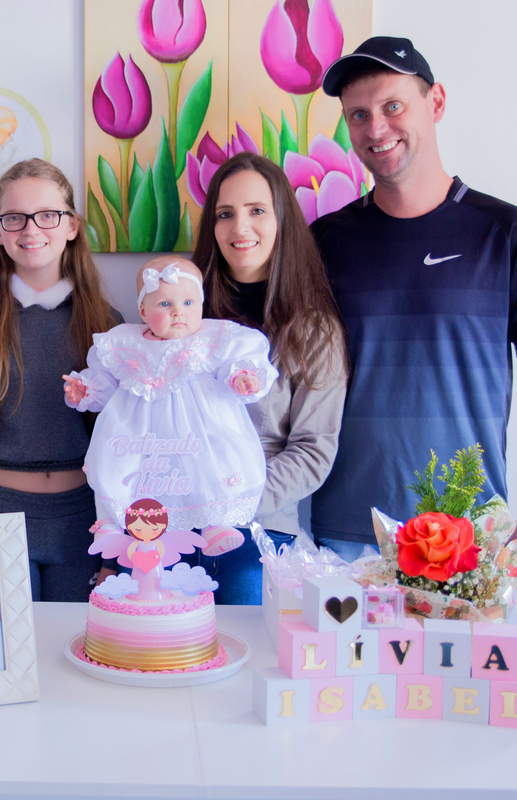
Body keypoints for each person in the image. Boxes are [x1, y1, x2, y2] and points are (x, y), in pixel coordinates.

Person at [310, 37, 517, 565]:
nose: (376, 129)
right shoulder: (324, 242)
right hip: (347, 535)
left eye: (392, 106)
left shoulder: (505, 232)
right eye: (358, 115)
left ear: (436, 103)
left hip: (468, 536)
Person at [0, 158, 122, 601]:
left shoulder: (108, 326)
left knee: (75, 643)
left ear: (71, 225)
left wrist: (119, 551)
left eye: (47, 215)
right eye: (14, 218)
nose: (31, 229)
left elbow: (122, 448)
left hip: (81, 524)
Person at [189, 151, 350, 598]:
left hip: (258, 536)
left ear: (282, 221)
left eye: (257, 211)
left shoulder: (314, 330)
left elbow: (313, 451)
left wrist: (228, 502)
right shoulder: (183, 317)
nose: (240, 228)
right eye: (225, 214)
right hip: (170, 534)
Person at [62, 257, 279, 559]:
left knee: (212, 464)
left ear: (201, 305)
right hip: (138, 435)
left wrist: (242, 377)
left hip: (200, 431)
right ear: (143, 311)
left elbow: (236, 364)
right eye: (164, 304)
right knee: (116, 465)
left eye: (188, 302)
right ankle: (111, 523)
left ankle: (216, 522)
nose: (178, 311)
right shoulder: (123, 342)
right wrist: (88, 389)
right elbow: (108, 382)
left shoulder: (215, 338)